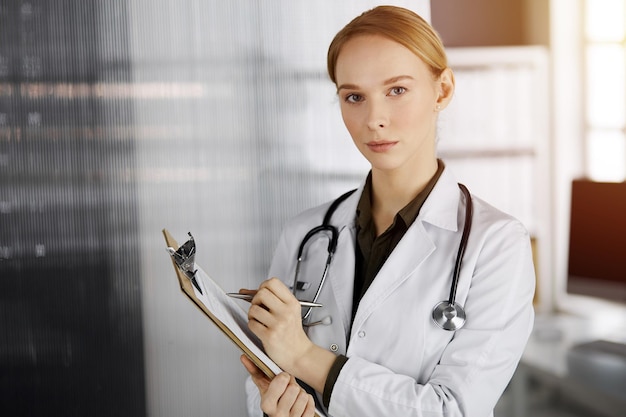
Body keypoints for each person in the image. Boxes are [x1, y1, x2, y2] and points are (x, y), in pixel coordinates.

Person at [239, 5, 536, 417]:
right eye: (354, 96)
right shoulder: (304, 233)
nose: (374, 119)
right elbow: (262, 385)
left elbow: (453, 411)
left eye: (397, 90)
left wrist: (304, 357)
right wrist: (273, 407)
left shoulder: (497, 245)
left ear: (442, 90)